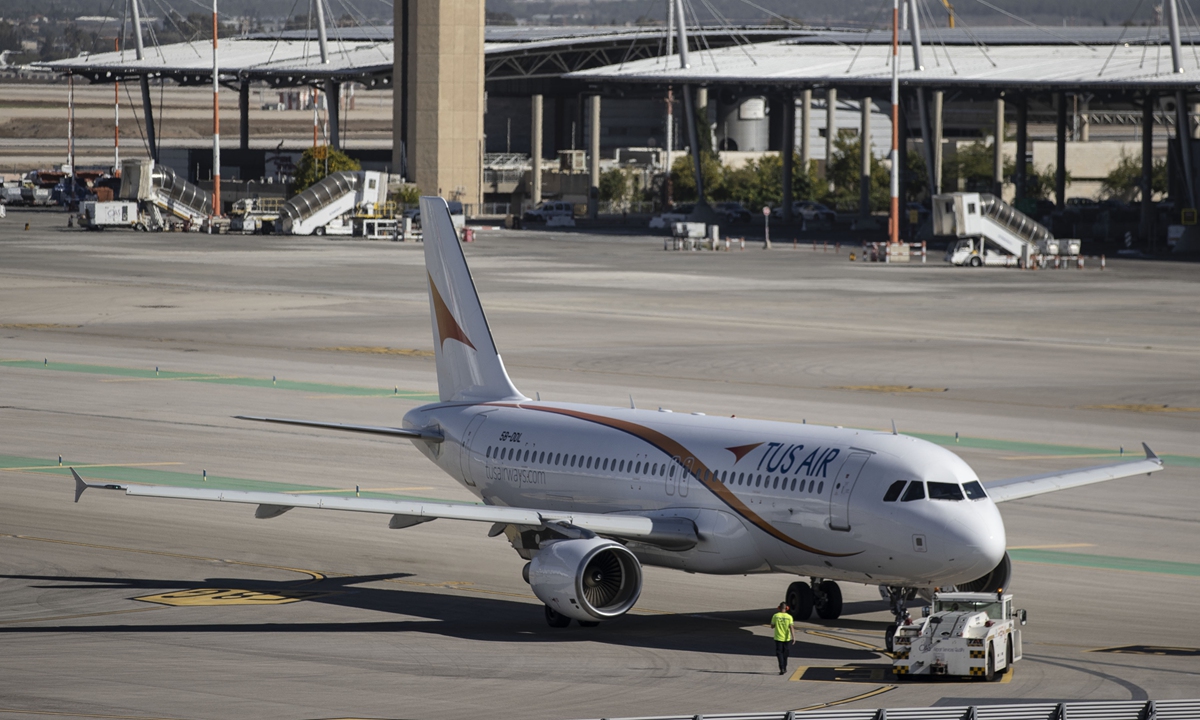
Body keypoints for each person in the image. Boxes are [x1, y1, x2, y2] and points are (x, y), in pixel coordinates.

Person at [770, 602, 795, 675]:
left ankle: (782, 668)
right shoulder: (789, 617)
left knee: (779, 653)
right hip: (787, 638)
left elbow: (772, 626)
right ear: (787, 608)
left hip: (778, 638)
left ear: (779, 608)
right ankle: (785, 667)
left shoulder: (775, 616)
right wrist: (793, 637)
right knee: (785, 654)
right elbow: (791, 628)